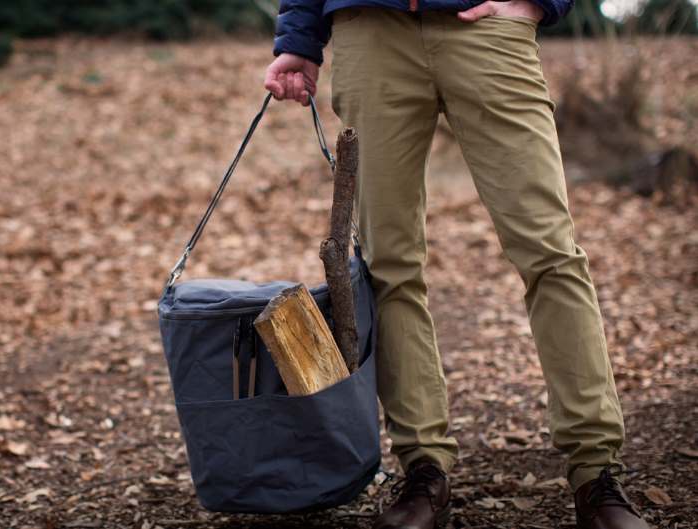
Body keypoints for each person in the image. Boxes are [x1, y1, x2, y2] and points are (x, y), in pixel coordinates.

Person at [264, 1, 650, 528]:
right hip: (371, 29)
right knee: (388, 264)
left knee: (551, 253)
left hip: (490, 31)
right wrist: (297, 39)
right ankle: (424, 467)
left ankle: (596, 471)